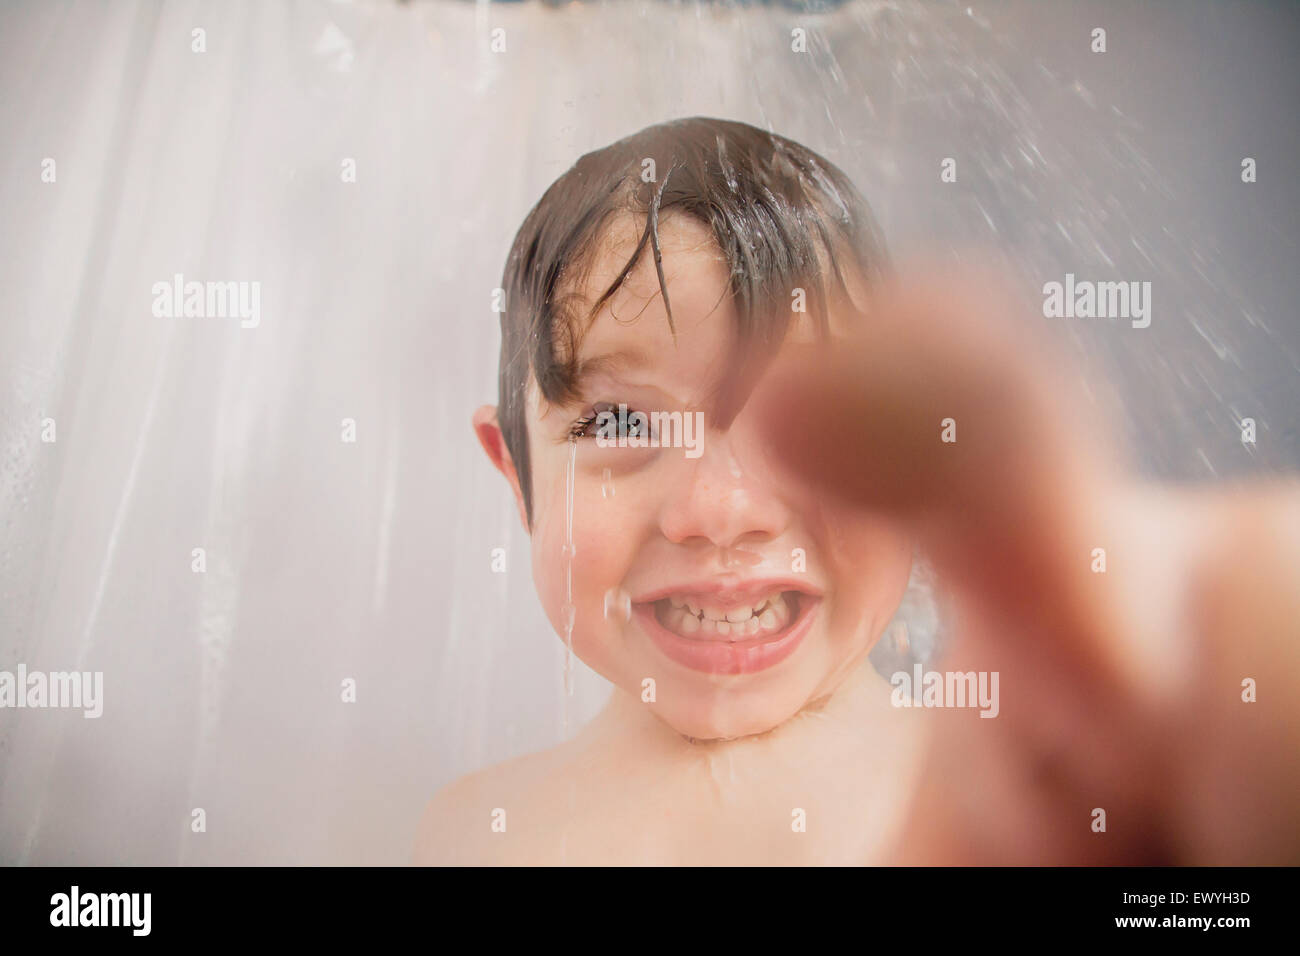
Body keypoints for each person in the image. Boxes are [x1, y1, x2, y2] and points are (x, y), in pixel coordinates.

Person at [414, 116, 1299, 865]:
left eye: (799, 428)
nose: (722, 512)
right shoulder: (474, 833)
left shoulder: (1014, 784)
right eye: (619, 425)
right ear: (517, 475)